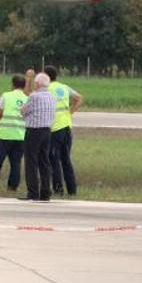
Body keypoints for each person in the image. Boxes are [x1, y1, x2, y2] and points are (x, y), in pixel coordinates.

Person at [0, 71, 33, 193]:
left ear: (12, 84)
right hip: (20, 137)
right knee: (16, 164)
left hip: (4, 136)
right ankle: (12, 188)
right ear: (24, 85)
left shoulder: (6, 96)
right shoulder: (28, 99)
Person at [45, 66, 83, 196]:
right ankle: (72, 190)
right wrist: (70, 112)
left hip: (55, 128)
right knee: (66, 160)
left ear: (46, 76)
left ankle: (58, 188)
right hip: (67, 127)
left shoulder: (47, 89)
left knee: (54, 159)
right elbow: (78, 98)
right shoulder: (64, 87)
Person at [19, 72, 56, 201]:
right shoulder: (52, 96)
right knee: (44, 161)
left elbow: (23, 111)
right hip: (47, 131)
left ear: (38, 84)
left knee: (31, 162)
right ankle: (46, 192)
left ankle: (33, 192)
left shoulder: (34, 96)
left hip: (34, 130)